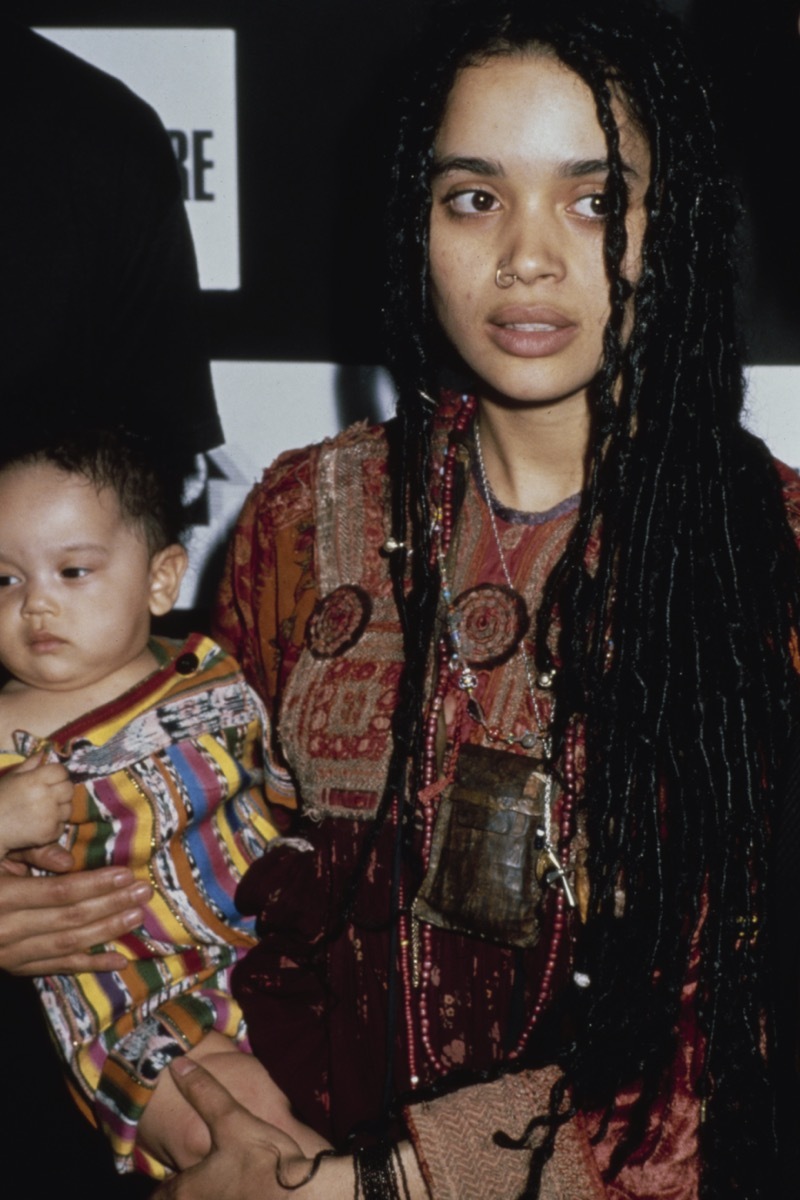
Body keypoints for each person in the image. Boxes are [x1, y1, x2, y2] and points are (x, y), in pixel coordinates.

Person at [8, 1, 798, 1196]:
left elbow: (731, 1042)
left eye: (591, 200)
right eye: (473, 197)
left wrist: (360, 1190)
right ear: (414, 222)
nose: (526, 255)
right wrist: (37, 907)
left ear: (669, 226)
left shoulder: (765, 557)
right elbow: (168, 822)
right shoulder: (300, 519)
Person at [0, 432, 327, 1180]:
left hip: (283, 962)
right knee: (248, 1140)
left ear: (161, 578)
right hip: (136, 999)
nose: (35, 604)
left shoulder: (207, 668)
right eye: (4, 581)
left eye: (72, 571)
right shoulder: (7, 728)